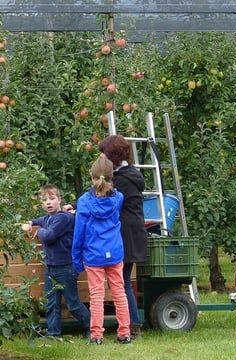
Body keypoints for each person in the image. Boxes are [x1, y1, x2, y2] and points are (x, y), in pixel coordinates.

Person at [72, 156, 131, 345]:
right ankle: (124, 334)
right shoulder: (119, 198)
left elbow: (79, 231)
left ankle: (97, 335)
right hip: (114, 252)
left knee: (96, 296)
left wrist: (76, 258)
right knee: (119, 293)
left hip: (93, 254)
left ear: (91, 176)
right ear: (111, 177)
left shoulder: (84, 201)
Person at [21, 184, 91, 339]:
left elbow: (49, 236)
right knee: (51, 303)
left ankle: (92, 328)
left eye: (52, 198)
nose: (48, 202)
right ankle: (53, 333)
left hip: (65, 267)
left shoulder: (64, 218)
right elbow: (38, 219)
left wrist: (38, 231)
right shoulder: (48, 218)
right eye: (44, 200)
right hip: (50, 267)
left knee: (72, 303)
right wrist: (30, 223)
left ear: (59, 199)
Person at [98, 134, 148, 339]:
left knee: (121, 281)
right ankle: (131, 324)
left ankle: (133, 326)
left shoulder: (122, 180)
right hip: (131, 232)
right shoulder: (128, 175)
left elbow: (103, 200)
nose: (101, 158)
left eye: (103, 154)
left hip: (126, 234)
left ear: (113, 156)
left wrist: (78, 208)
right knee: (122, 281)